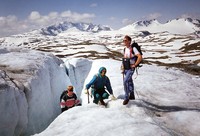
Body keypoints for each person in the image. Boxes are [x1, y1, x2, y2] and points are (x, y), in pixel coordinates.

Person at [121, 35, 142, 105]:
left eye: (125, 40)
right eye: (123, 40)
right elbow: (125, 58)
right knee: (129, 81)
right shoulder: (125, 49)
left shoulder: (133, 49)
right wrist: (122, 66)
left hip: (131, 68)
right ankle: (132, 94)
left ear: (129, 41)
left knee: (125, 81)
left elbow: (139, 57)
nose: (124, 42)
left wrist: (135, 65)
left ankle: (126, 97)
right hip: (126, 68)